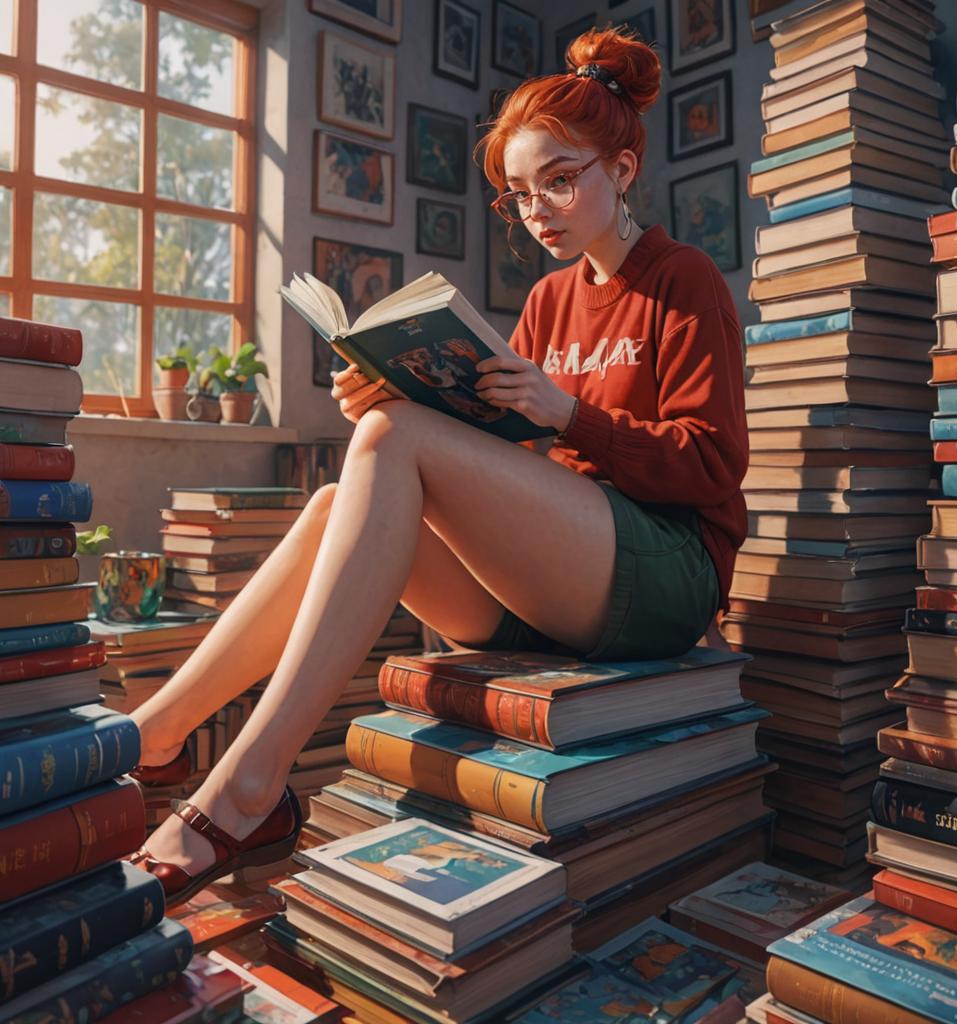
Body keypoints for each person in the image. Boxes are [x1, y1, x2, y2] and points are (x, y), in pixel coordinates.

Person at [126, 25, 748, 906]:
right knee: (340, 492)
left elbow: (714, 466)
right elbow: (506, 467)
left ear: (624, 169)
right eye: (519, 195)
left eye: (561, 180)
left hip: (668, 574)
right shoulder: (546, 298)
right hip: (558, 584)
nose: (538, 211)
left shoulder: (682, 280)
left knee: (398, 445)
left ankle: (248, 787)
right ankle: (157, 734)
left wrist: (567, 412)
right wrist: (394, 396)